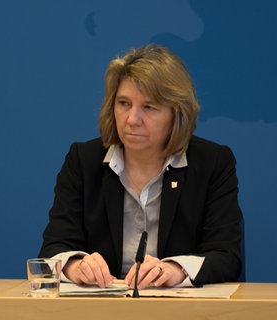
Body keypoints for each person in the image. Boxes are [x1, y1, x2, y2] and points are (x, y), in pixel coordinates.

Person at [38, 44, 243, 289]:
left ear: (176, 114)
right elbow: (54, 247)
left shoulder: (212, 163)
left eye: (149, 107)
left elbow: (226, 256)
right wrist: (75, 265)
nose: (132, 120)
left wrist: (175, 269)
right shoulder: (84, 160)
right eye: (124, 103)